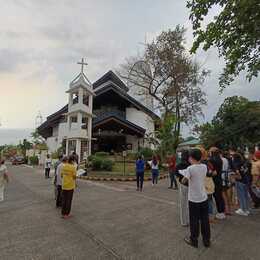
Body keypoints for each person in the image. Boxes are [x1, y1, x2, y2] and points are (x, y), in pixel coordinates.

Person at [181, 149, 210, 248]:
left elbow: (184, 181)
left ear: (192, 158)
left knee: (194, 220)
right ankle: (207, 241)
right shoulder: (204, 166)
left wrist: (184, 177)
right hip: (203, 197)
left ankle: (194, 240)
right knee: (205, 219)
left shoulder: (190, 168)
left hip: (194, 199)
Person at [209, 148, 226, 220]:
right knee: (219, 196)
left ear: (212, 152)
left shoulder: (212, 160)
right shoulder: (220, 159)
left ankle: (219, 212)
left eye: (210, 151)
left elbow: (212, 172)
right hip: (219, 179)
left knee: (216, 196)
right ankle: (221, 211)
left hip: (214, 180)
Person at [175, 150, 190, 226]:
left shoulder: (179, 165)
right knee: (190, 203)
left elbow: (177, 176)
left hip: (183, 185)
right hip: (191, 185)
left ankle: (184, 222)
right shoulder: (191, 165)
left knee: (183, 204)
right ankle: (190, 219)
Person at [220, 151, 232, 215]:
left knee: (223, 194)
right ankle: (229, 208)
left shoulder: (221, 159)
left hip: (222, 177)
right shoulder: (226, 160)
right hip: (227, 176)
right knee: (227, 194)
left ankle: (226, 209)